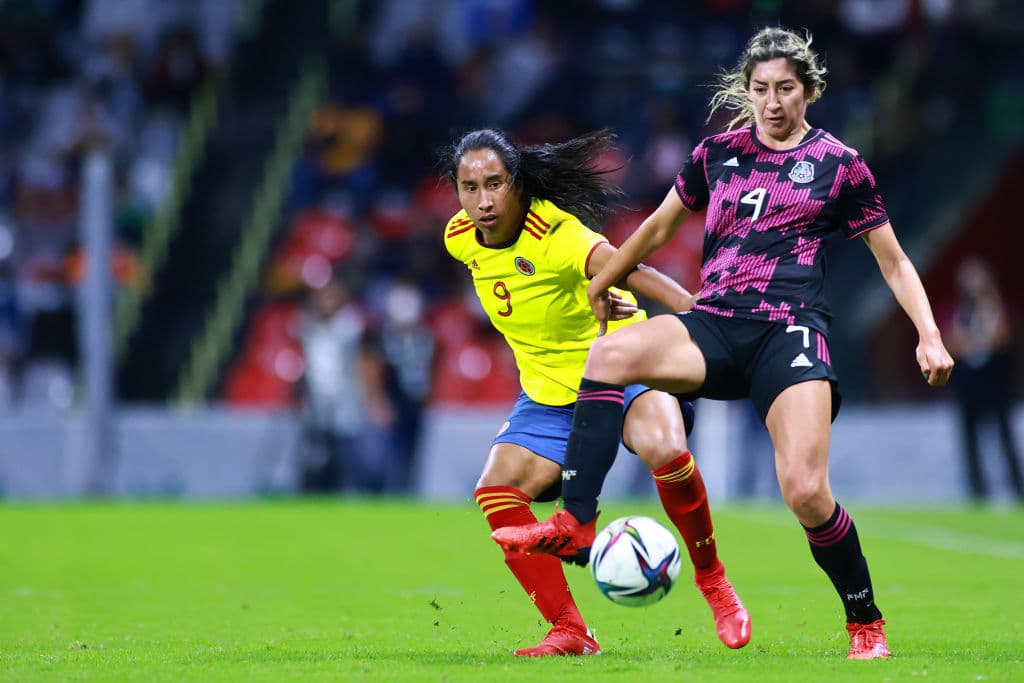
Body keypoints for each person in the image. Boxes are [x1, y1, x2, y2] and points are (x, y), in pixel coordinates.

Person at [493, 27, 955, 660]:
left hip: (788, 332)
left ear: (809, 90)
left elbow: (896, 262)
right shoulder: (716, 154)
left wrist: (928, 336)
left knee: (805, 491)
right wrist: (603, 279)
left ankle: (864, 621)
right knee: (608, 355)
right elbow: (656, 229)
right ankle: (576, 520)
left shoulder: (840, 164)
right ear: (746, 91)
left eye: (786, 88)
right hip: (714, 322)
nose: (772, 101)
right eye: (761, 89)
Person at [442, 128, 750, 657]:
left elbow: (631, 265)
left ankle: (714, 581)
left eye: (495, 183)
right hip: (546, 395)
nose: (484, 200)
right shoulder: (459, 237)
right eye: (470, 188)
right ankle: (571, 631)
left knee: (664, 446)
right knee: (495, 490)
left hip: (617, 369)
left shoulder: (557, 234)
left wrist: (696, 313)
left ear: (517, 184)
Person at [945, 256, 1023, 503]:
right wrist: (975, 343)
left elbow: (1001, 338)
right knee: (969, 440)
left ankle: (1017, 489)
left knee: (1004, 436)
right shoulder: (955, 311)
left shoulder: (997, 308)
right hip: (967, 385)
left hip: (996, 383)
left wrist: (989, 305)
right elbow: (952, 343)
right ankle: (978, 493)